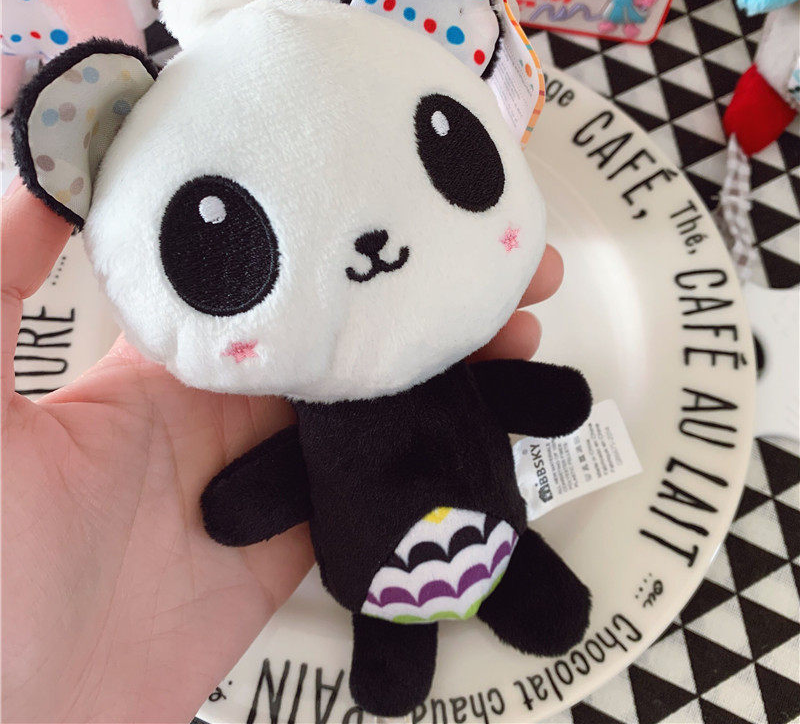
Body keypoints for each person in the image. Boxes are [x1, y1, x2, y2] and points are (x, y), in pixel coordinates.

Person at [2, 176, 566, 723]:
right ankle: (406, 634)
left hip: (453, 552)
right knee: (401, 667)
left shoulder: (426, 373)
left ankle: (495, 592)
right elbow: (288, 475)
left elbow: (525, 397)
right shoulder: (330, 409)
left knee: (539, 616)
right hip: (390, 576)